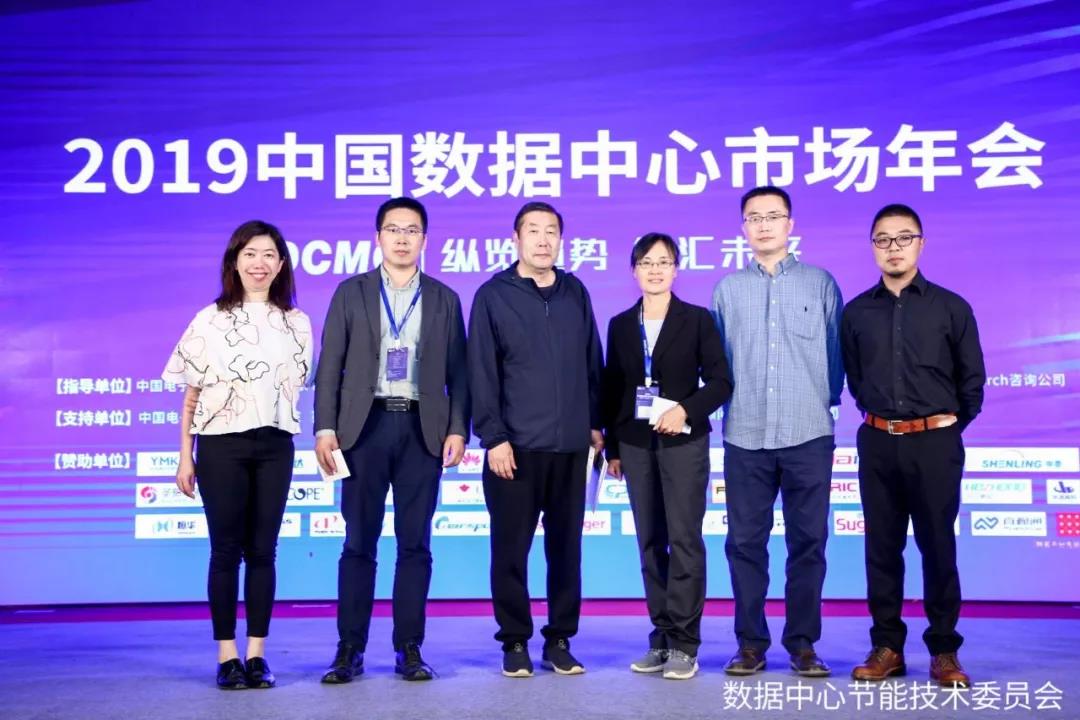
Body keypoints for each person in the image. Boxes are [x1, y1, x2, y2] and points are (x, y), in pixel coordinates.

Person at [314, 197, 469, 682]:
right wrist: (324, 427)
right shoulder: (351, 292)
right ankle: (349, 649)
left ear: (425, 239)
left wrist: (458, 428)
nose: (402, 238)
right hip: (363, 429)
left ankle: (409, 648)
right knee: (358, 542)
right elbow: (329, 365)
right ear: (378, 236)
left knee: (415, 544)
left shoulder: (444, 298)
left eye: (412, 230)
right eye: (393, 229)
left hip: (422, 429)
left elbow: (460, 374)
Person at [164, 220, 312, 690]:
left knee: (264, 551)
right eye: (250, 254)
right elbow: (190, 396)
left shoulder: (297, 322)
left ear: (281, 264)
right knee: (225, 551)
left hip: (275, 445)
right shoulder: (209, 320)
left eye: (269, 255)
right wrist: (185, 455)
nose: (259, 263)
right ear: (234, 261)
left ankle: (257, 654)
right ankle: (227, 656)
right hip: (221, 444)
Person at [843, 204, 984, 688]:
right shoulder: (856, 312)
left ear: (921, 244)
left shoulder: (951, 308)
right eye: (883, 239)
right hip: (877, 441)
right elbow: (855, 378)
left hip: (935, 443)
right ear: (873, 248)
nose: (894, 247)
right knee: (881, 548)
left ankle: (944, 650)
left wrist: (941, 430)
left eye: (904, 238)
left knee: (938, 546)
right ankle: (887, 647)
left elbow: (972, 383)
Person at [468, 201, 604, 678]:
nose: (543, 240)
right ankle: (514, 640)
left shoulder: (575, 291)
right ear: (516, 239)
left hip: (570, 448)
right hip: (515, 449)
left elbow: (592, 362)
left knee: (566, 551)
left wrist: (595, 424)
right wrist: (494, 437)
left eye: (552, 232)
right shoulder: (493, 295)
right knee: (510, 552)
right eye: (533, 231)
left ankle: (560, 639)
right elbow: (481, 372)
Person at [712, 186, 843, 678]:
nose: (764, 225)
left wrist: (821, 403)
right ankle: (750, 644)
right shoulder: (727, 290)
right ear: (743, 228)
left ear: (790, 225)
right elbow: (719, 365)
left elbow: (836, 359)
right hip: (745, 435)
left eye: (773, 216)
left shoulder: (820, 284)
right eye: (754, 218)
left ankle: (803, 644)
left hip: (808, 433)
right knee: (745, 544)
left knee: (808, 544)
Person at [600, 232, 732, 680]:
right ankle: (660, 636)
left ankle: (685, 643)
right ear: (634, 270)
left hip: (683, 444)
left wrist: (685, 410)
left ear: (676, 269)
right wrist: (613, 448)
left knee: (685, 541)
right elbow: (614, 389)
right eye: (646, 262)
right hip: (636, 446)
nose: (654, 270)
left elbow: (721, 382)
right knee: (650, 542)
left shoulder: (697, 320)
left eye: (663, 262)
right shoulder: (621, 324)